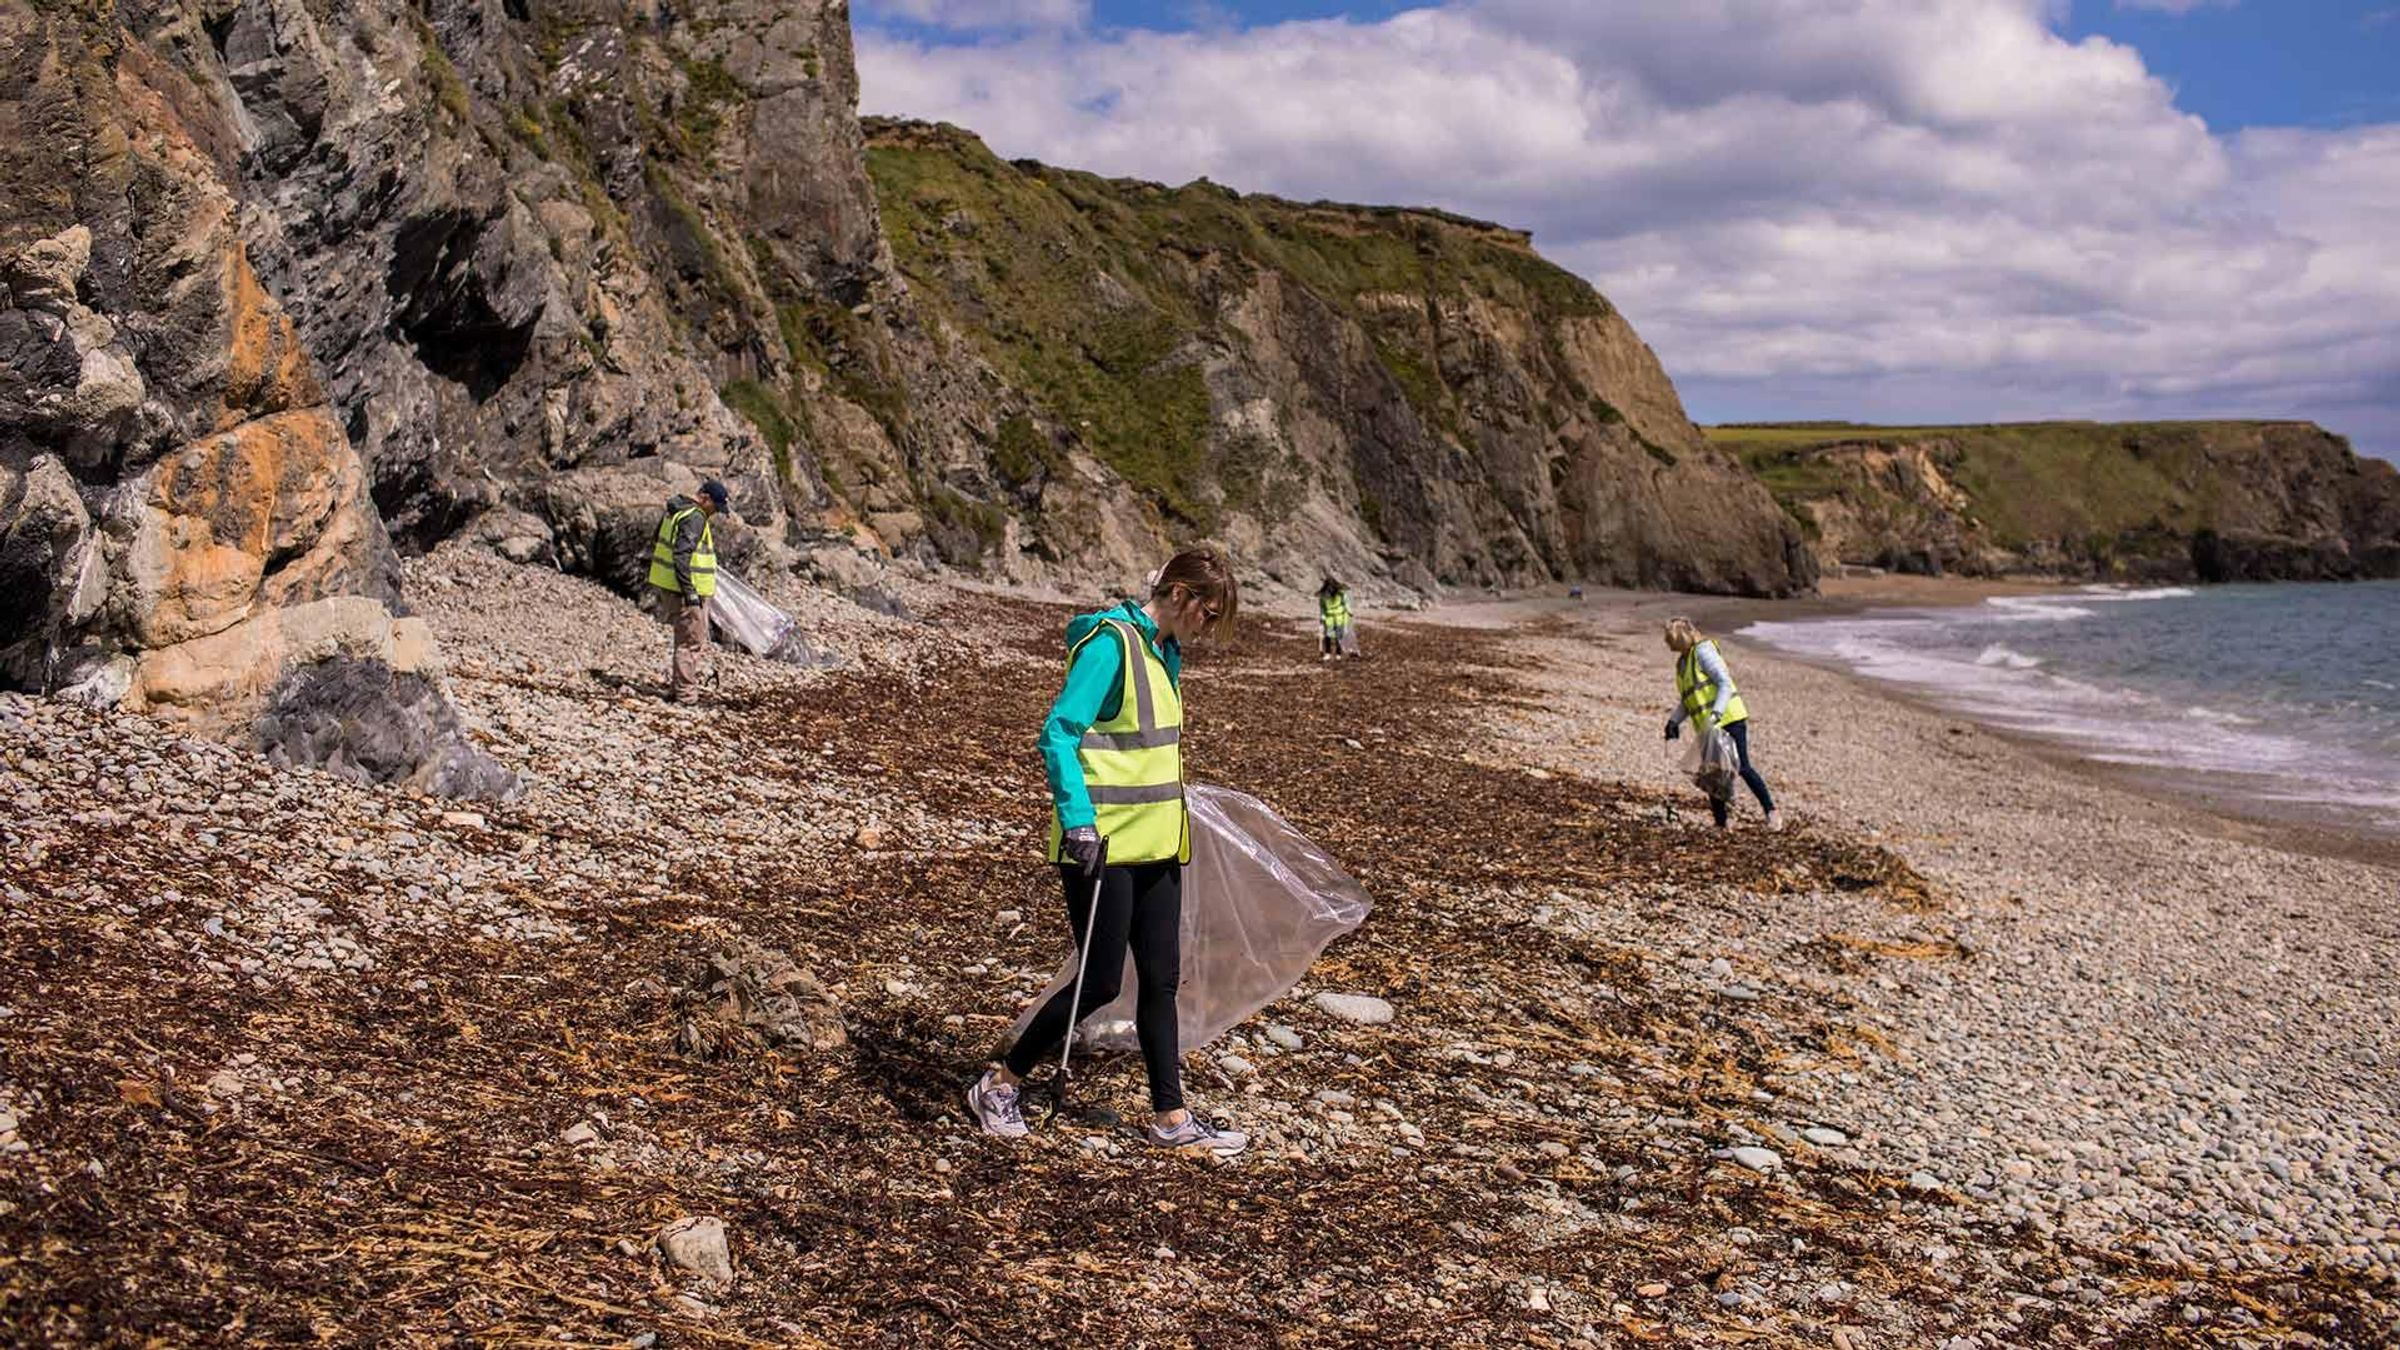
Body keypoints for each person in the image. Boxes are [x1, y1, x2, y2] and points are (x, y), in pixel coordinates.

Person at [967, 547, 1249, 1156]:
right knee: (1096, 982)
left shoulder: (1163, 651)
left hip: (1158, 845)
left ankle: (1170, 1117)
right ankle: (1000, 1082)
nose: (1206, 626)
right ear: (1179, 596)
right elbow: (1058, 733)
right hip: (1102, 844)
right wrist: (1078, 823)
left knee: (1161, 980)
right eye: (1208, 611)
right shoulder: (1110, 644)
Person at [1662, 617, 1783, 831]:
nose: (1669, 645)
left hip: (1729, 717)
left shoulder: (1703, 652)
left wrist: (1716, 714)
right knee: (1713, 774)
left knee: (1742, 766)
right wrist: (1674, 721)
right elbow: (1688, 698)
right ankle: (1721, 822)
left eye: (1672, 640)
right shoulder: (1683, 662)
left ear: (1683, 638)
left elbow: (1724, 683)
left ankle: (1772, 812)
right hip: (1708, 726)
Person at [647, 480, 727, 703]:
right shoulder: (695, 517)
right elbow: (682, 555)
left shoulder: (676, 511)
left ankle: (677, 690)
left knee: (683, 639)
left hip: (669, 585)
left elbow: (657, 540)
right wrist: (690, 591)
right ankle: (686, 695)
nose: (716, 513)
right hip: (685, 591)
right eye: (716, 507)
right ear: (706, 499)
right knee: (691, 642)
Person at [1317, 577, 1354, 661]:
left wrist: (1349, 610)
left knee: (1339, 637)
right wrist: (1322, 617)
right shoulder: (1323, 596)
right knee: (1327, 636)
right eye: (1329, 588)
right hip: (1328, 617)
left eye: (1332, 587)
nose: (1331, 589)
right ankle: (1327, 654)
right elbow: (1322, 608)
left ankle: (1338, 654)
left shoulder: (1341, 594)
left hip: (1339, 617)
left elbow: (1346, 603)